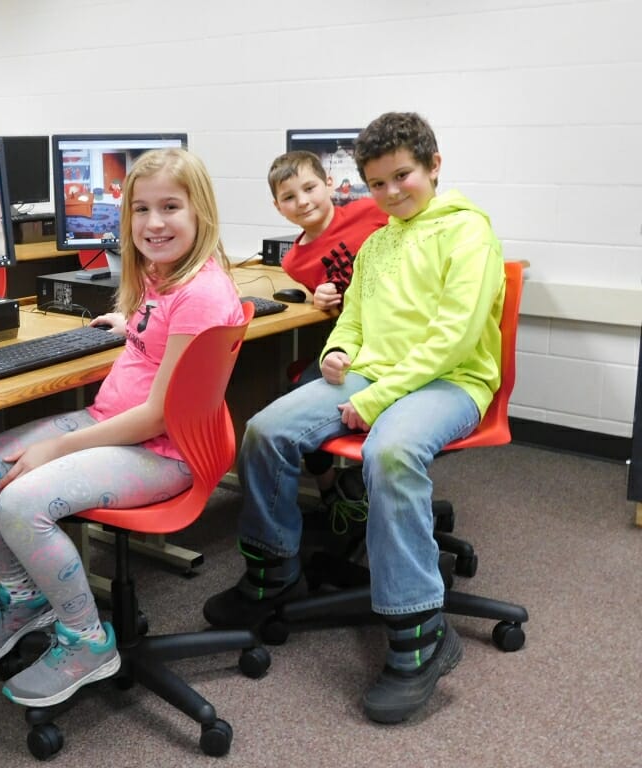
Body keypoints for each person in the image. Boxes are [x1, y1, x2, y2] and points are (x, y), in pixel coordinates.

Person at [204, 112, 506, 724]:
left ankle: (421, 635)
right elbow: (355, 319)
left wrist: (376, 397)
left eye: (403, 177)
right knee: (266, 429)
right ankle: (274, 573)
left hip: (450, 381)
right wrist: (337, 350)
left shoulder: (468, 233)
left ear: (433, 167)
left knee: (388, 453)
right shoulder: (378, 242)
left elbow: (453, 338)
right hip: (373, 371)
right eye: (377, 184)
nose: (392, 193)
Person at [0, 148, 244, 707]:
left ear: (201, 212)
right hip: (114, 425)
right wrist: (130, 325)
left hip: (162, 450)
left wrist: (57, 447)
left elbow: (158, 414)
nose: (153, 223)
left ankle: (85, 640)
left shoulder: (201, 293)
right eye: (141, 209)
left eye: (171, 207)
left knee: (17, 502)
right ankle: (25, 597)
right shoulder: (166, 275)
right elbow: (166, 336)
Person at [268, 150, 388, 509]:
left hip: (390, 336)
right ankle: (329, 487)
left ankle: (373, 482)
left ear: (329, 184)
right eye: (289, 197)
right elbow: (334, 301)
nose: (302, 202)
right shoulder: (293, 260)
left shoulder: (371, 211)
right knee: (296, 395)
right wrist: (316, 298)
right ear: (278, 207)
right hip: (351, 340)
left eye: (309, 188)